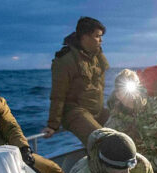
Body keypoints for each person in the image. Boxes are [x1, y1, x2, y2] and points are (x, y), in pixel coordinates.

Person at [42, 17, 110, 145]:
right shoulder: (65, 60)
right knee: (102, 140)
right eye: (97, 36)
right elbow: (58, 94)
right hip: (75, 112)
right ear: (85, 37)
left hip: (97, 111)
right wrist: (53, 125)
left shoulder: (97, 56)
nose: (101, 40)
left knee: (127, 128)